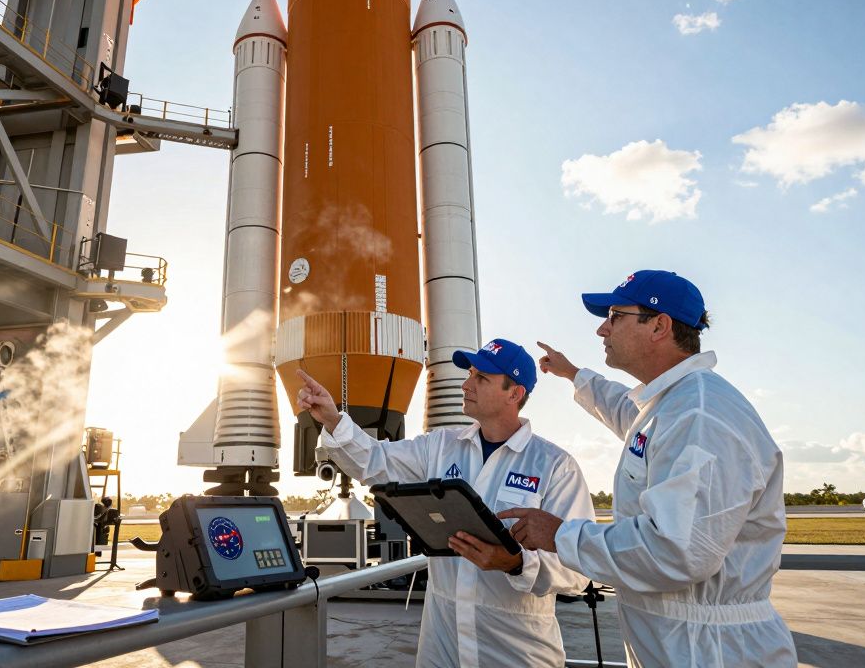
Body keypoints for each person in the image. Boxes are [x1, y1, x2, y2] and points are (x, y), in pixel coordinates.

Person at [498, 270, 797, 667]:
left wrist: (562, 535)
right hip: (680, 643)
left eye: (615, 316)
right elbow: (627, 410)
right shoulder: (671, 405)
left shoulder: (700, 415)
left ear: (659, 325)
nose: (602, 330)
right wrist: (574, 374)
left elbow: (676, 550)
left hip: (709, 652)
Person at [296, 339, 595, 668]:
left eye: (482, 378)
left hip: (516, 653)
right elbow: (375, 461)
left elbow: (577, 569)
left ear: (515, 393)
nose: (466, 384)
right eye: (469, 374)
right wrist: (333, 419)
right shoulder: (440, 447)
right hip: (442, 649)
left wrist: (515, 563)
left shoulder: (554, 466)